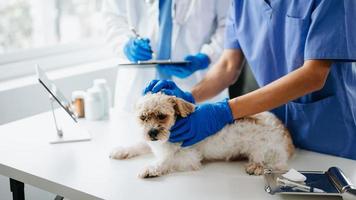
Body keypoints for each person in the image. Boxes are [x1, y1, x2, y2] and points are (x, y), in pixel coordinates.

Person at [144, 0, 356, 160]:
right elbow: (228, 65)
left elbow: (314, 75)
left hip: (327, 134)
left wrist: (225, 111)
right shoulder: (242, 3)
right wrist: (189, 99)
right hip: (271, 135)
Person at [102, 0, 230, 111]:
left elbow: (229, 24)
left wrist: (207, 55)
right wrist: (125, 45)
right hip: (137, 85)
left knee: (200, 132)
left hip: (198, 84)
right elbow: (112, 18)